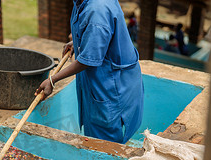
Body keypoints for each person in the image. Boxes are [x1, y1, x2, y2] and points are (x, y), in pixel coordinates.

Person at [36, 0, 144, 144]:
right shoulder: (82, 3)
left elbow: (87, 60)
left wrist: (52, 80)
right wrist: (81, 42)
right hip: (103, 82)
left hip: (112, 87)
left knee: (105, 145)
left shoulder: (96, 11)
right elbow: (98, 34)